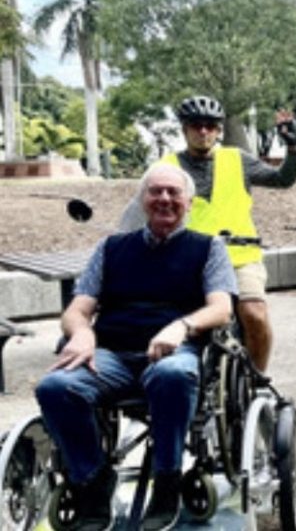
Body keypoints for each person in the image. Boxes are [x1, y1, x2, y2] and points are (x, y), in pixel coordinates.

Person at [35, 164, 236, 531]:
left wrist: (181, 326)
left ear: (189, 203)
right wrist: (81, 332)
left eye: (173, 193)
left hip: (173, 352)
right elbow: (78, 309)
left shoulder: (208, 248)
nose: (164, 199)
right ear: (143, 199)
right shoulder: (112, 248)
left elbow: (222, 308)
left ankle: (167, 480)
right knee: (55, 387)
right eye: (155, 191)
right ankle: (93, 482)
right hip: (112, 354)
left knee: (171, 375)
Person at [120, 95, 296, 372]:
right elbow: (138, 214)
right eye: (196, 125)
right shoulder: (165, 167)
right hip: (185, 259)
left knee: (255, 314)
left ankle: (258, 379)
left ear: (218, 130)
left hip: (240, 256)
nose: (203, 131)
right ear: (184, 129)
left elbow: (282, 179)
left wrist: (293, 147)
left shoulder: (237, 159)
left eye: (210, 126)